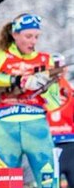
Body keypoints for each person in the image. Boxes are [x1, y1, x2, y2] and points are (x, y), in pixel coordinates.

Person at [0, 13, 60, 188]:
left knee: (49, 181)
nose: (33, 41)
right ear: (15, 34)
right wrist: (17, 80)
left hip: (37, 127)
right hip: (7, 127)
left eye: (36, 36)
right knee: (0, 182)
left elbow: (55, 103)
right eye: (28, 36)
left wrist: (45, 88)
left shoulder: (45, 60)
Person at [46, 53, 73, 187]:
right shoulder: (40, 90)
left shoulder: (70, 89)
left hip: (70, 143)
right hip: (49, 143)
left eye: (59, 68)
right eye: (53, 68)